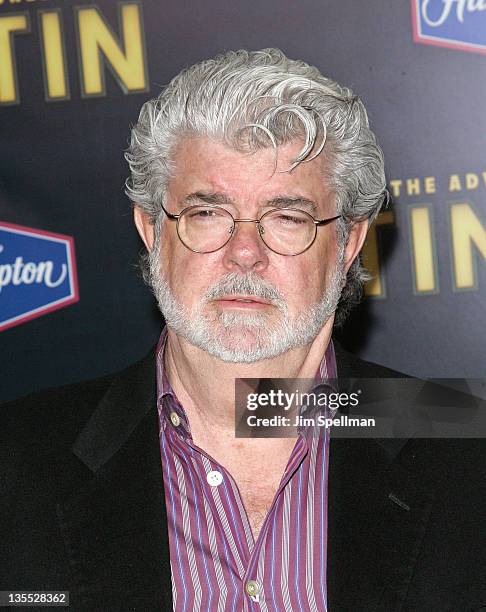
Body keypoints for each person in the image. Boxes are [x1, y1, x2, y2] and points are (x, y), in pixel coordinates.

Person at [1, 49, 485, 612]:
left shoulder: (467, 443)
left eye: (288, 217)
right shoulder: (16, 464)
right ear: (152, 231)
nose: (245, 253)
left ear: (348, 245)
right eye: (208, 213)